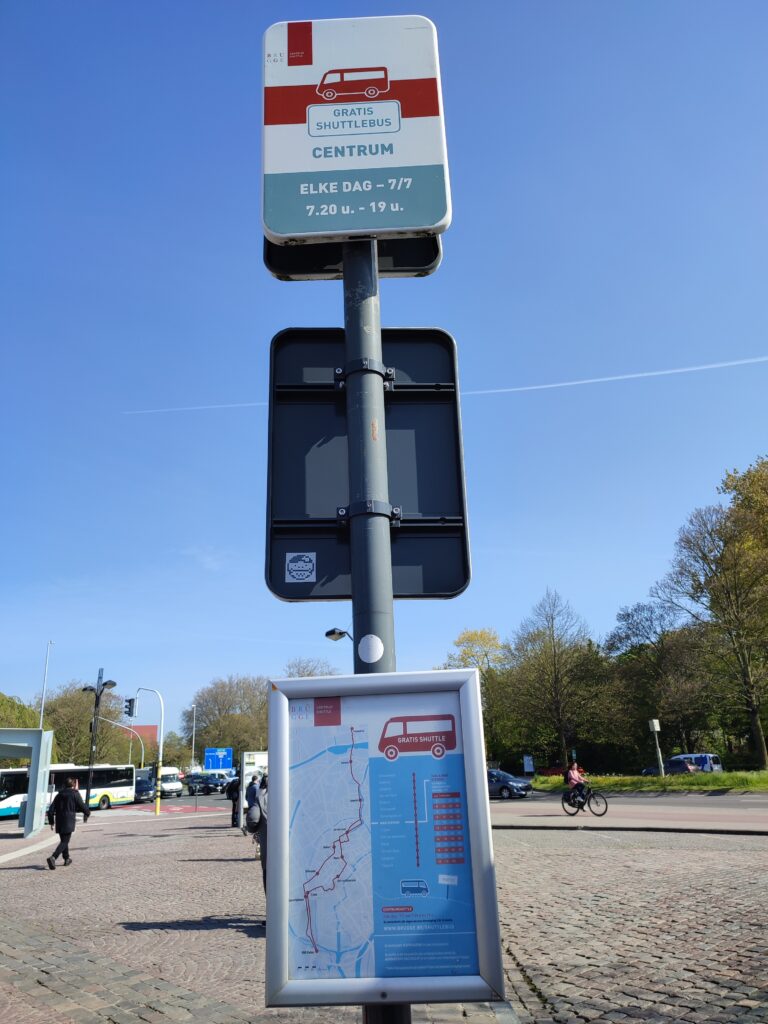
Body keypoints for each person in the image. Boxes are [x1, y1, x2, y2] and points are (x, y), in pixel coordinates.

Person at [46, 778, 90, 870]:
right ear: (73, 785)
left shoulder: (59, 795)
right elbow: (82, 806)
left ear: (64, 785)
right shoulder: (75, 794)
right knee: (65, 841)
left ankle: (66, 858)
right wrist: (87, 813)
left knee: (63, 840)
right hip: (69, 821)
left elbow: (50, 811)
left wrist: (51, 822)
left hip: (59, 821)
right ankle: (53, 857)